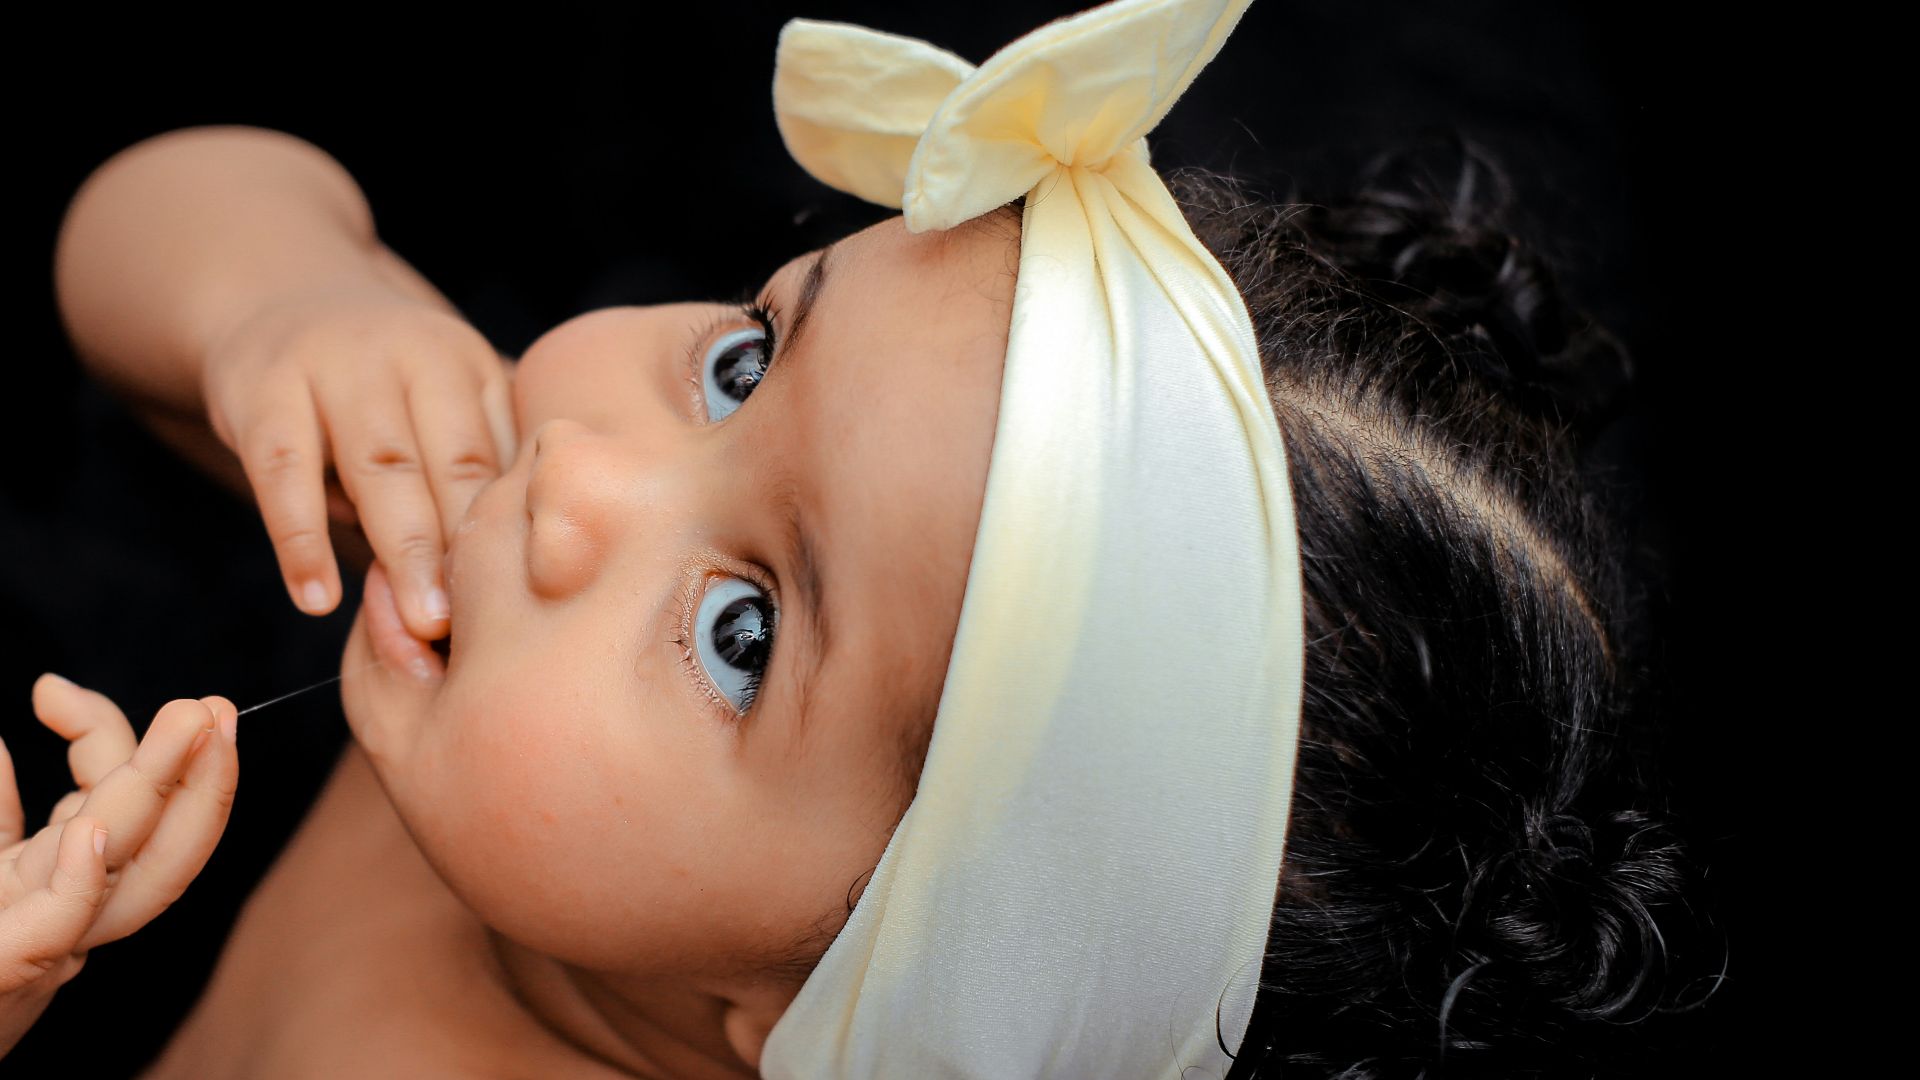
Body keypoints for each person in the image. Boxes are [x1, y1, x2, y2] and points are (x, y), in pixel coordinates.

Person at [13, 0, 1711, 1075]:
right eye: (742, 363)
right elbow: (149, 228)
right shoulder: (508, 655)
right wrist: (286, 304)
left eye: (742, 634)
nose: (580, 474)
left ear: (830, 1014)